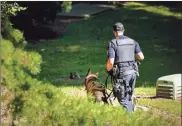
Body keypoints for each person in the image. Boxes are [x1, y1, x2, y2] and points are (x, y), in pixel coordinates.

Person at [106, 22, 144, 112]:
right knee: (129, 97)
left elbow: (110, 62)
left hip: (122, 75)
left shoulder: (113, 43)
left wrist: (108, 69)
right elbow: (141, 57)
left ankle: (128, 120)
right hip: (133, 73)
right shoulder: (133, 41)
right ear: (123, 31)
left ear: (114, 32)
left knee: (123, 100)